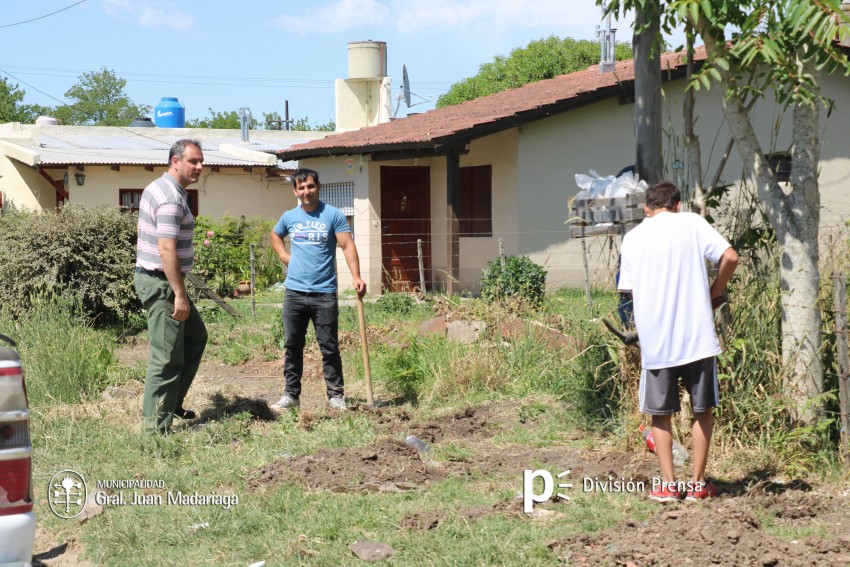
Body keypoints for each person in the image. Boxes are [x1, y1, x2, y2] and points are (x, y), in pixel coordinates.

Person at [618, 181, 738, 502]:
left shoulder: (633, 238)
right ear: (678, 204)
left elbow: (627, 292)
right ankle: (698, 485)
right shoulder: (693, 223)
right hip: (698, 337)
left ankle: (669, 485)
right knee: (703, 410)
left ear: (647, 209)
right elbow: (730, 257)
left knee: (660, 414)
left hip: (657, 343)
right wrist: (713, 293)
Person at [270, 167, 366, 411]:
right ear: (295, 191)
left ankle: (336, 396)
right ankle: (291, 395)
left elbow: (347, 246)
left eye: (310, 186)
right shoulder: (290, 217)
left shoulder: (332, 215)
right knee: (292, 346)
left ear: (318, 187)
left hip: (324, 293)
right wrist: (283, 255)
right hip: (294, 292)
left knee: (329, 346)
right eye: (301, 188)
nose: (306, 191)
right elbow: (275, 234)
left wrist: (356, 276)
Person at [134, 139, 208, 434]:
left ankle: (171, 403)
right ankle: (154, 430)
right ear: (175, 161)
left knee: (195, 337)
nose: (199, 167)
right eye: (193, 161)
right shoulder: (170, 198)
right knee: (166, 358)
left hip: (165, 281)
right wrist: (179, 293)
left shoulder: (165, 189)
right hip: (162, 284)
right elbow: (166, 249)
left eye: (201, 161)